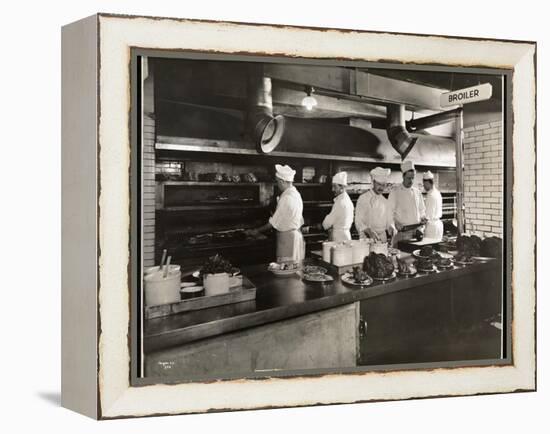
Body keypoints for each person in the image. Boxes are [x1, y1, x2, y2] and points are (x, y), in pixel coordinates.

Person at [245, 164, 305, 262]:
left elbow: (272, 224)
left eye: (277, 182)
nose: (277, 184)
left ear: (282, 181)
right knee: (295, 269)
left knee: (285, 269)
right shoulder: (296, 194)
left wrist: (255, 231)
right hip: (296, 237)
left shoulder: (286, 197)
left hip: (288, 240)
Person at [387, 160, 427, 246]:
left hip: (416, 232)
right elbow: (389, 212)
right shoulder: (395, 192)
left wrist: (423, 217)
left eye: (413, 178)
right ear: (403, 176)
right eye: (409, 178)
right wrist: (395, 223)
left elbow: (422, 209)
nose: (411, 181)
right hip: (402, 234)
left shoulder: (417, 192)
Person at [354, 167, 397, 243]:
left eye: (384, 185)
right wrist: (369, 231)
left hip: (382, 239)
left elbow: (389, 220)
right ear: (373, 182)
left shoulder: (385, 201)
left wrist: (391, 227)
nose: (381, 188)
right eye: (379, 184)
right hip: (367, 239)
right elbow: (358, 221)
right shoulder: (363, 198)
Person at [322, 171, 354, 242]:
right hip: (346, 236)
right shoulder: (348, 200)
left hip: (339, 238)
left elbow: (326, 224)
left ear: (342, 187)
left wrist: (324, 223)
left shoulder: (340, 202)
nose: (332, 189)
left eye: (334, 186)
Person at [423, 170, 444, 241]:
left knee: (429, 248)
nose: (424, 186)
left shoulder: (430, 195)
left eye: (424, 184)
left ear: (428, 183)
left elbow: (427, 215)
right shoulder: (438, 193)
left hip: (431, 227)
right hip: (439, 225)